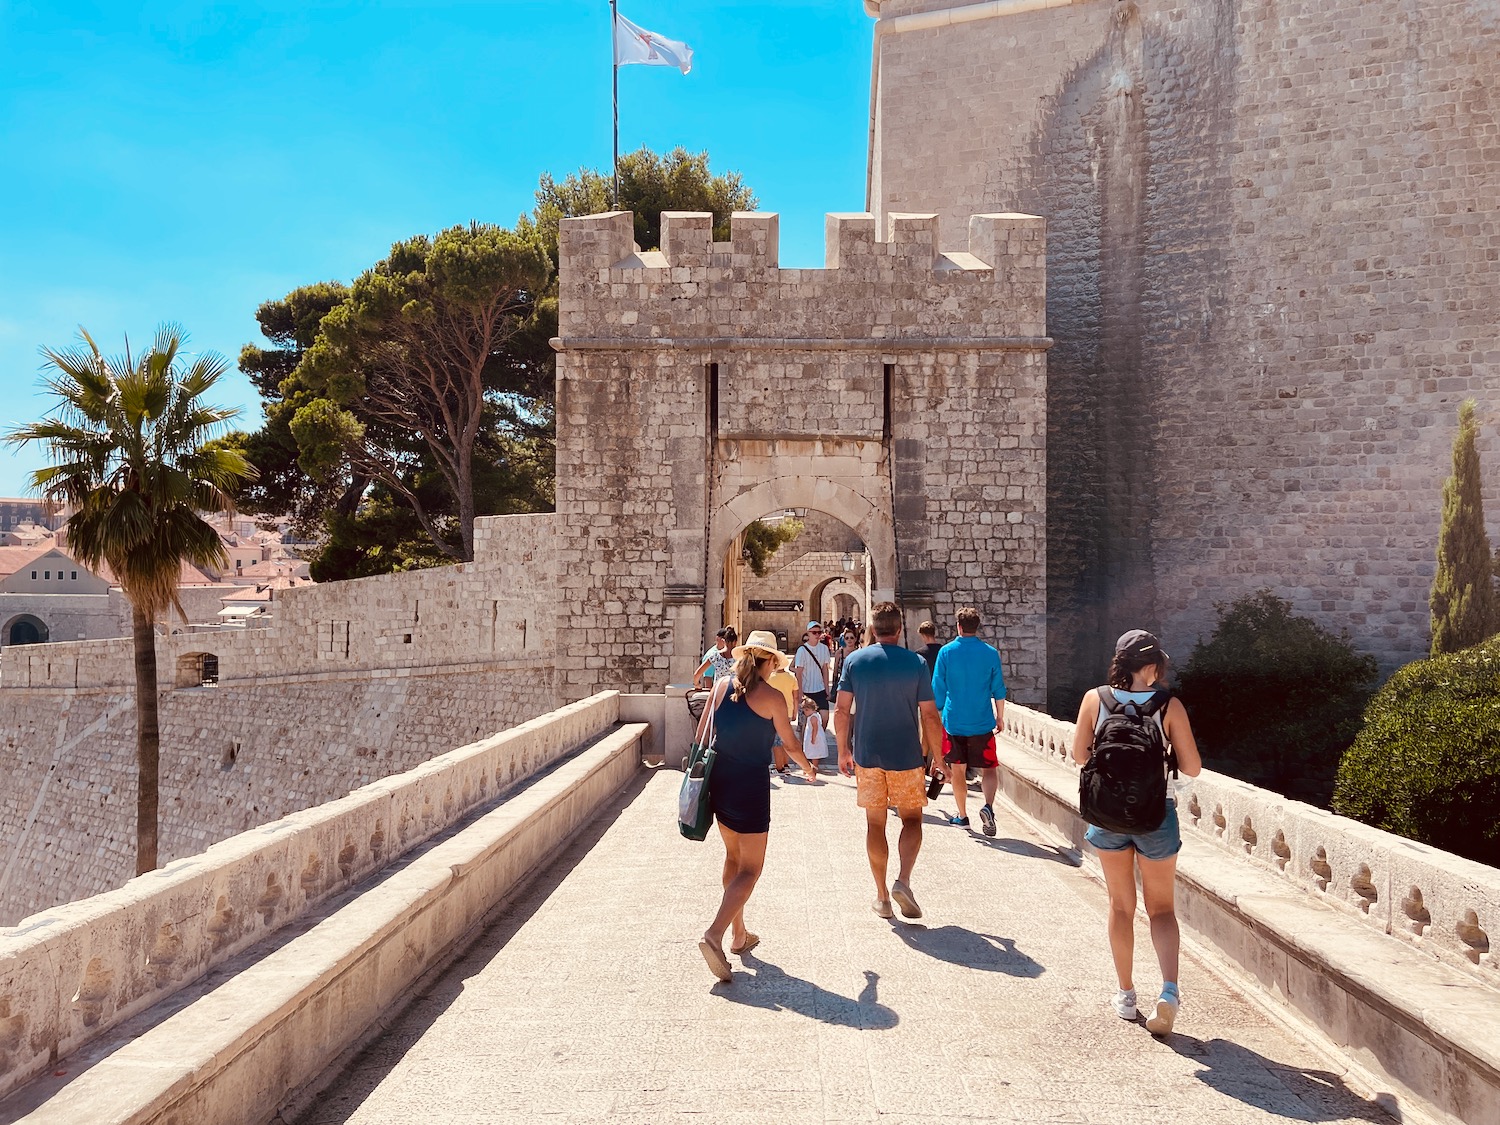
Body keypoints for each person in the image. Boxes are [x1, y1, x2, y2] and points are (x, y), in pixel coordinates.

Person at [1070, 629, 1202, 1035]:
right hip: (1155, 815)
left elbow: (1078, 755)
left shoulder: (1096, 699)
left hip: (1107, 816)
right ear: (1151, 665)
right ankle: (1169, 991)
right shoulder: (1169, 705)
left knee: (1120, 905)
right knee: (1161, 909)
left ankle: (1126, 994)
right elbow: (1193, 768)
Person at [694, 630, 818, 983]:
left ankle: (739, 934)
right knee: (750, 868)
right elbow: (790, 743)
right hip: (749, 786)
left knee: (732, 859)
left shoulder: (720, 687)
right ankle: (714, 934)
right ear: (770, 663)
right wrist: (808, 768)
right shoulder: (772, 696)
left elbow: (703, 731)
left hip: (720, 781)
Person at [835, 601, 943, 921]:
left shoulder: (854, 661)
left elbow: (842, 711)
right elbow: (930, 715)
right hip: (907, 755)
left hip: (867, 755)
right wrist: (938, 756)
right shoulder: (916, 664)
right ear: (899, 629)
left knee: (875, 823)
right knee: (911, 820)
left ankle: (882, 897)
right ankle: (903, 881)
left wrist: (843, 750)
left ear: (872, 629)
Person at [930, 607, 1007, 835]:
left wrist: (938, 718)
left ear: (959, 626)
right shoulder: (990, 653)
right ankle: (988, 806)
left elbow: (938, 691)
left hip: (954, 722)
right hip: (982, 721)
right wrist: (1000, 717)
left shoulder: (946, 652)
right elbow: (999, 690)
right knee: (990, 768)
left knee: (958, 770)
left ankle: (962, 816)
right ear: (977, 626)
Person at [793, 620, 833, 736]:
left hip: (819, 689)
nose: (817, 635)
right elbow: (799, 673)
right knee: (803, 723)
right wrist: (800, 693)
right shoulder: (802, 650)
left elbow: (825, 669)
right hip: (806, 690)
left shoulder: (824, 649)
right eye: (814, 632)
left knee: (825, 718)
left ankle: (817, 739)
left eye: (819, 632)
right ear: (808, 633)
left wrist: (827, 689)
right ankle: (803, 749)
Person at [800, 696, 827, 773]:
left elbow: (815, 728)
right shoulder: (815, 715)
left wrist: (813, 737)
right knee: (812, 752)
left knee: (814, 753)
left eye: (806, 710)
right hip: (813, 736)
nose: (805, 712)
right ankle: (811, 767)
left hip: (814, 737)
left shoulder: (813, 717)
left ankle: (814, 768)